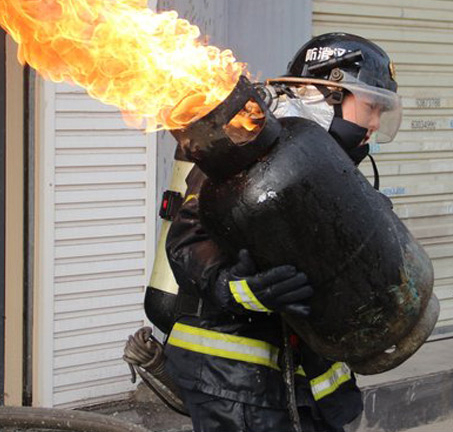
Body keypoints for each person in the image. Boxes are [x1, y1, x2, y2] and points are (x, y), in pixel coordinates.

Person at [161, 32, 402, 432]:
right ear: (330, 95)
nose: (375, 124)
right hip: (234, 378)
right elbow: (187, 239)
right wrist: (236, 289)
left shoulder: (319, 157)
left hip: (300, 383)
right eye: (371, 107)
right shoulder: (247, 140)